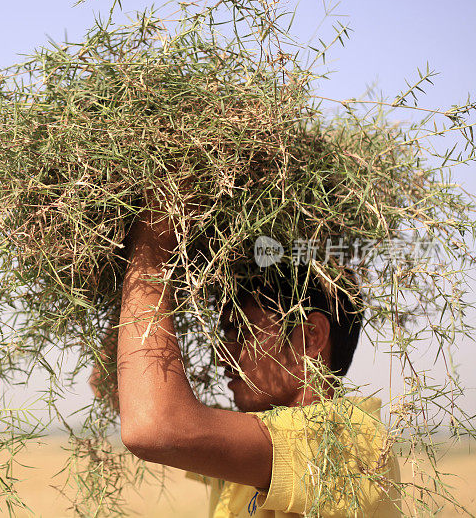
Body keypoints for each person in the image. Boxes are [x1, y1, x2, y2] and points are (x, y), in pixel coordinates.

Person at [89, 198, 402, 517]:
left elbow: (152, 426)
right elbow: (111, 383)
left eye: (242, 331)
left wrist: (155, 241)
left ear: (309, 338)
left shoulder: (351, 440)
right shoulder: (255, 443)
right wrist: (154, 281)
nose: (222, 355)